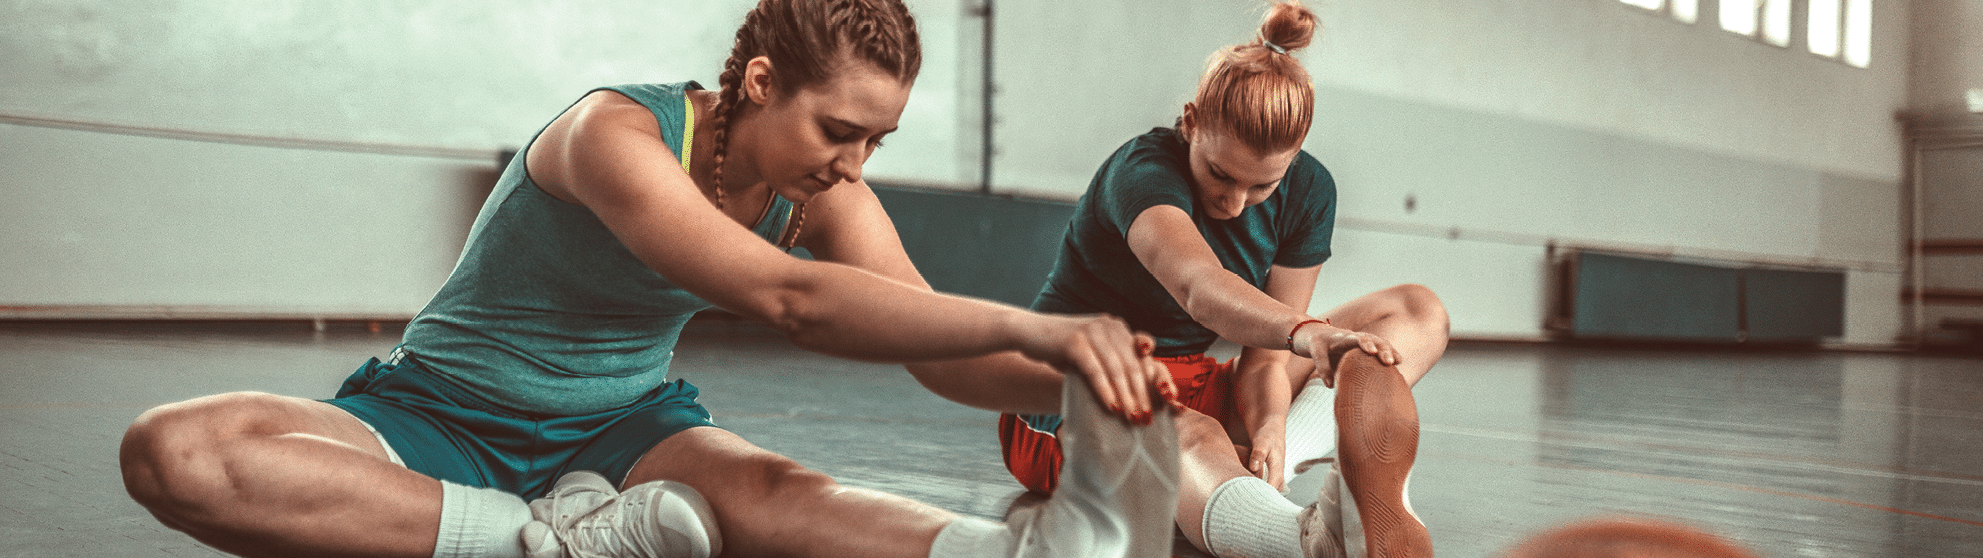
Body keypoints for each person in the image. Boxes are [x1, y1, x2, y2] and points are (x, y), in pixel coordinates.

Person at [116, 1, 1183, 557]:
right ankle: (537, 543)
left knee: (776, 492)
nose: (855, 165)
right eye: (840, 129)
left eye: (878, 143)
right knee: (176, 453)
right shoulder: (615, 135)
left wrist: (1093, 381)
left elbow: (934, 350)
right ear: (762, 83)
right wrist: (1050, 328)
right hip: (435, 410)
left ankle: (1014, 553)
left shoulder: (824, 192)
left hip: (623, 429)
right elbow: (788, 300)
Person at [904, 2, 1448, 557]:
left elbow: (1262, 359)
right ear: (1191, 121)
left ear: (1293, 160)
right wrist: (1309, 332)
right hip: (1074, 387)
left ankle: (1270, 473)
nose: (1235, 204)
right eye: (1219, 174)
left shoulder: (1310, 189)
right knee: (1197, 434)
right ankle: (1306, 540)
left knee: (1415, 310)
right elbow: (1199, 288)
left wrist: (1271, 428)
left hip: (1193, 380)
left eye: (1262, 186)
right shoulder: (1142, 171)